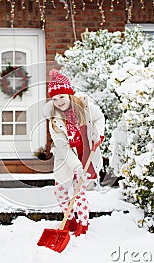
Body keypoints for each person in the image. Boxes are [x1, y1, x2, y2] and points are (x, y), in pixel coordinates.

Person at [43, 69, 105, 236]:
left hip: (86, 155)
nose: (59, 101)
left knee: (79, 190)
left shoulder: (84, 107)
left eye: (62, 96)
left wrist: (98, 133)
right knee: (59, 189)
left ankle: (83, 224)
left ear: (69, 94)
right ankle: (69, 219)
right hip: (67, 158)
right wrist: (76, 166)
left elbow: (99, 118)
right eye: (55, 99)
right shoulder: (54, 120)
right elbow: (62, 147)